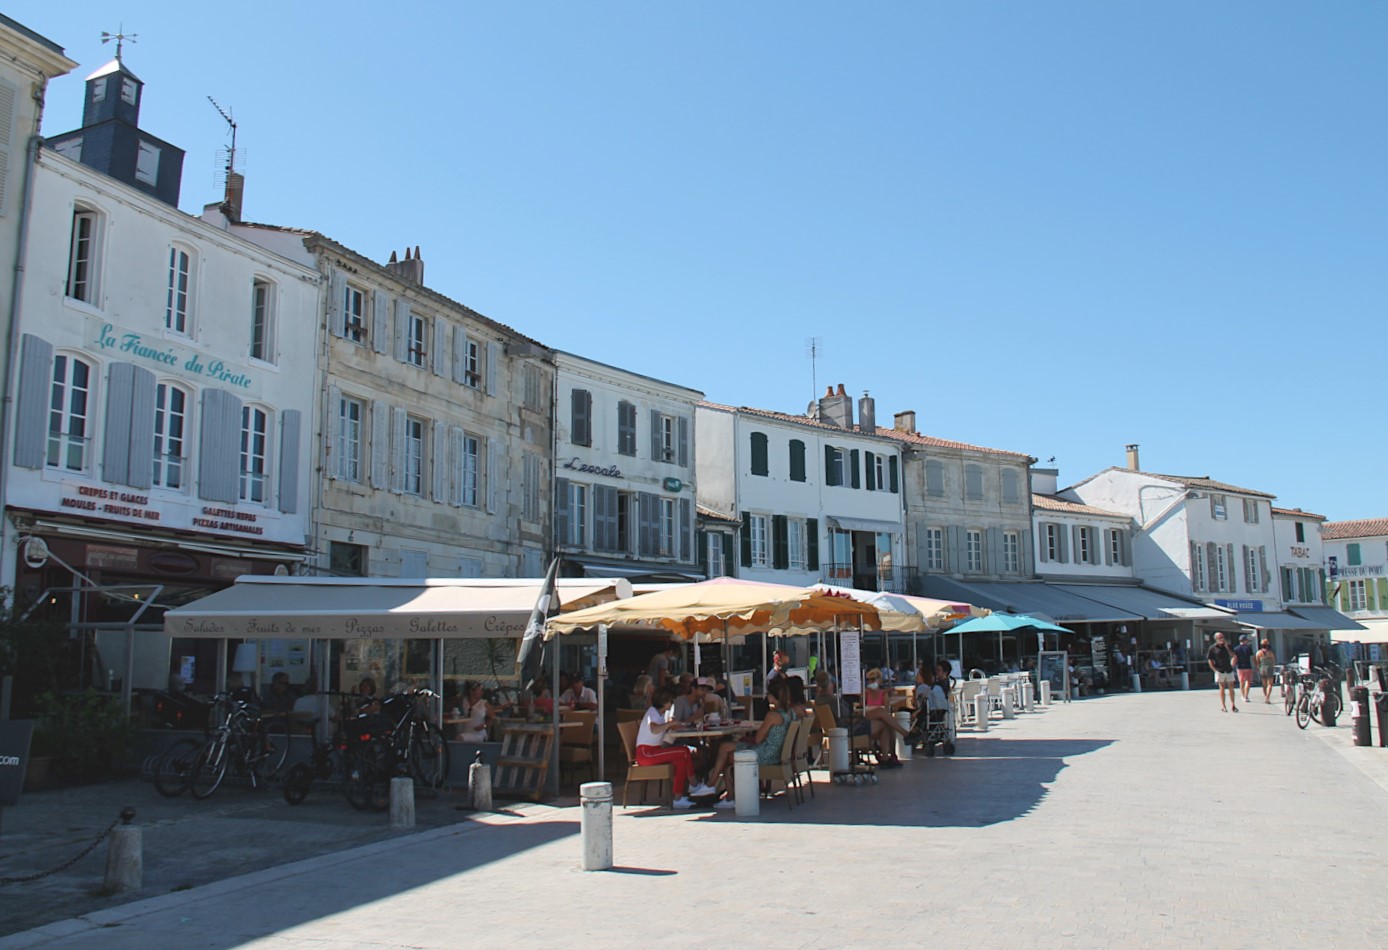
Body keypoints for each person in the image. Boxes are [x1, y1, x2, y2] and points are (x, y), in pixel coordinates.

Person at [706, 678, 797, 809]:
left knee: (727, 757)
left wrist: (745, 739)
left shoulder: (773, 715)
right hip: (777, 753)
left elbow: (758, 739)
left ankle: (722, 792)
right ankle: (714, 787)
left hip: (765, 754)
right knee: (725, 747)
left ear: (772, 697)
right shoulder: (791, 714)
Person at [634, 686, 715, 809]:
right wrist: (670, 724)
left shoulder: (660, 714)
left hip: (654, 751)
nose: (672, 704)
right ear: (664, 702)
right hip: (646, 754)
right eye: (671, 701)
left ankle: (678, 798)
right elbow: (654, 729)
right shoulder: (653, 713)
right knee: (684, 751)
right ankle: (693, 783)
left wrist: (674, 725)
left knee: (680, 761)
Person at [860, 669, 908, 767]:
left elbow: (886, 710)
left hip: (879, 726)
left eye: (873, 679)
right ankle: (891, 755)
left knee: (887, 726)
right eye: (868, 679)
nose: (870, 682)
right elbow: (862, 708)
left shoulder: (883, 694)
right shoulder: (865, 694)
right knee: (888, 725)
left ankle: (886, 757)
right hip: (870, 725)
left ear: (879, 680)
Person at [1208, 632, 1239, 713]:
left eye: (1222, 637)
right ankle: (1223, 706)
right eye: (1220, 637)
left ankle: (1233, 704)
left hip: (1228, 669)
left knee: (1231, 688)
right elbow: (1210, 660)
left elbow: (1233, 655)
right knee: (1222, 687)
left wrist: (1226, 647)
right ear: (1216, 639)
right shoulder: (1213, 648)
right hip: (1219, 670)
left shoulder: (1227, 646)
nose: (1222, 639)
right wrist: (1214, 670)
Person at [1233, 635, 1255, 704]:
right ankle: (1246, 696)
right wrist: (1255, 665)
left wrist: (1233, 665)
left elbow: (1235, 658)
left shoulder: (1236, 648)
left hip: (1240, 667)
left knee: (1241, 681)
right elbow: (1252, 657)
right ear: (1245, 640)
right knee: (1248, 682)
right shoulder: (1249, 648)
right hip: (1248, 666)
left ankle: (1243, 695)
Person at [1256, 639, 1277, 704]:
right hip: (1269, 668)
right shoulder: (1270, 652)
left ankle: (1265, 696)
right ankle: (1267, 697)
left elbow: (1257, 661)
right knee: (1270, 684)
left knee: (1264, 684)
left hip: (1262, 668)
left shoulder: (1259, 652)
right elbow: (1274, 661)